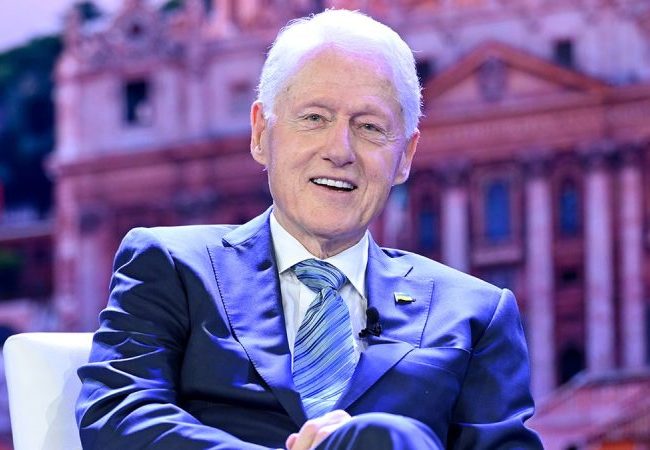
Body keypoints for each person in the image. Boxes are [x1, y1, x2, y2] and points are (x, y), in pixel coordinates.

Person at [76, 8, 542, 450]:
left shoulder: (476, 314)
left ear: (405, 156)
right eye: (314, 118)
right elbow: (119, 416)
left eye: (369, 127)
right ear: (261, 133)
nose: (340, 151)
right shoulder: (172, 266)